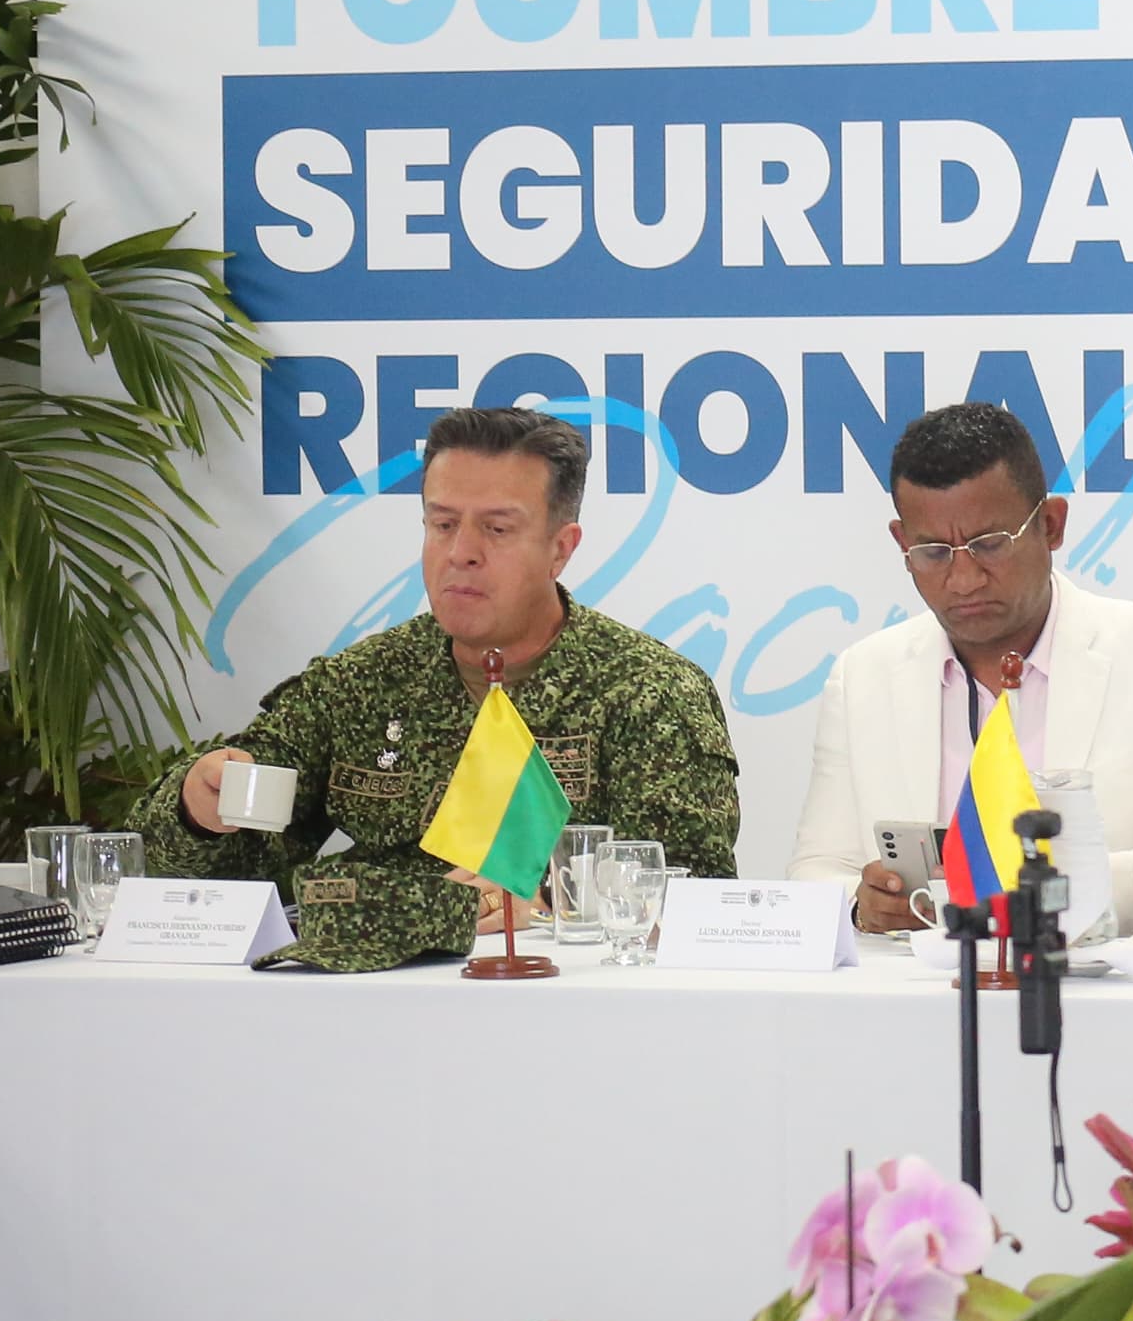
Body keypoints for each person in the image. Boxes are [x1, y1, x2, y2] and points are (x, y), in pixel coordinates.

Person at [133, 406, 739, 970]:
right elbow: (222, 881)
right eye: (442, 524)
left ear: (560, 547)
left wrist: (554, 900)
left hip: (561, 1010)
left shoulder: (649, 692)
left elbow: (691, 901)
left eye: (497, 530)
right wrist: (196, 811)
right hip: (355, 1011)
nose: (461, 553)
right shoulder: (360, 684)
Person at [788, 401, 1133, 937]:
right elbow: (816, 869)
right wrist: (859, 905)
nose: (963, 580)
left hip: (1099, 997)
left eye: (989, 545)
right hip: (915, 1000)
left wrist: (1039, 894)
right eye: (934, 553)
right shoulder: (863, 675)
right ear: (902, 543)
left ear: (1051, 526)